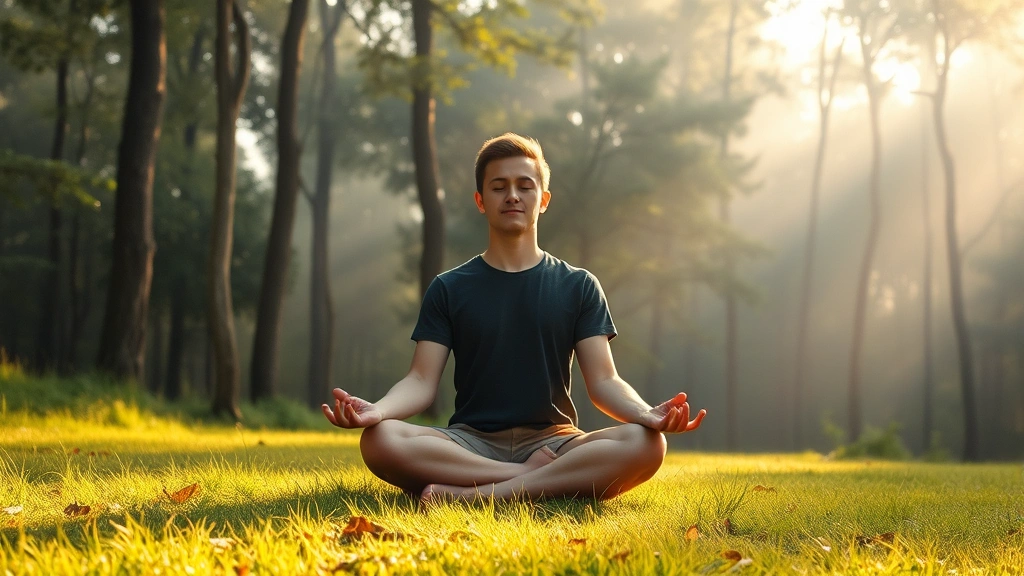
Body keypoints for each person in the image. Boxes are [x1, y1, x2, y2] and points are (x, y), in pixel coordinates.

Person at [322, 133, 706, 504]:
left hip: (555, 441)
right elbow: (421, 380)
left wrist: (645, 414)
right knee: (378, 439)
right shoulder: (449, 288)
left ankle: (474, 496)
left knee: (646, 443)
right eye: (498, 186)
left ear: (543, 199)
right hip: (469, 442)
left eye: (525, 185)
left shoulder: (579, 285)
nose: (512, 196)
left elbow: (604, 381)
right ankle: (531, 479)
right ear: (480, 200)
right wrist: (379, 410)